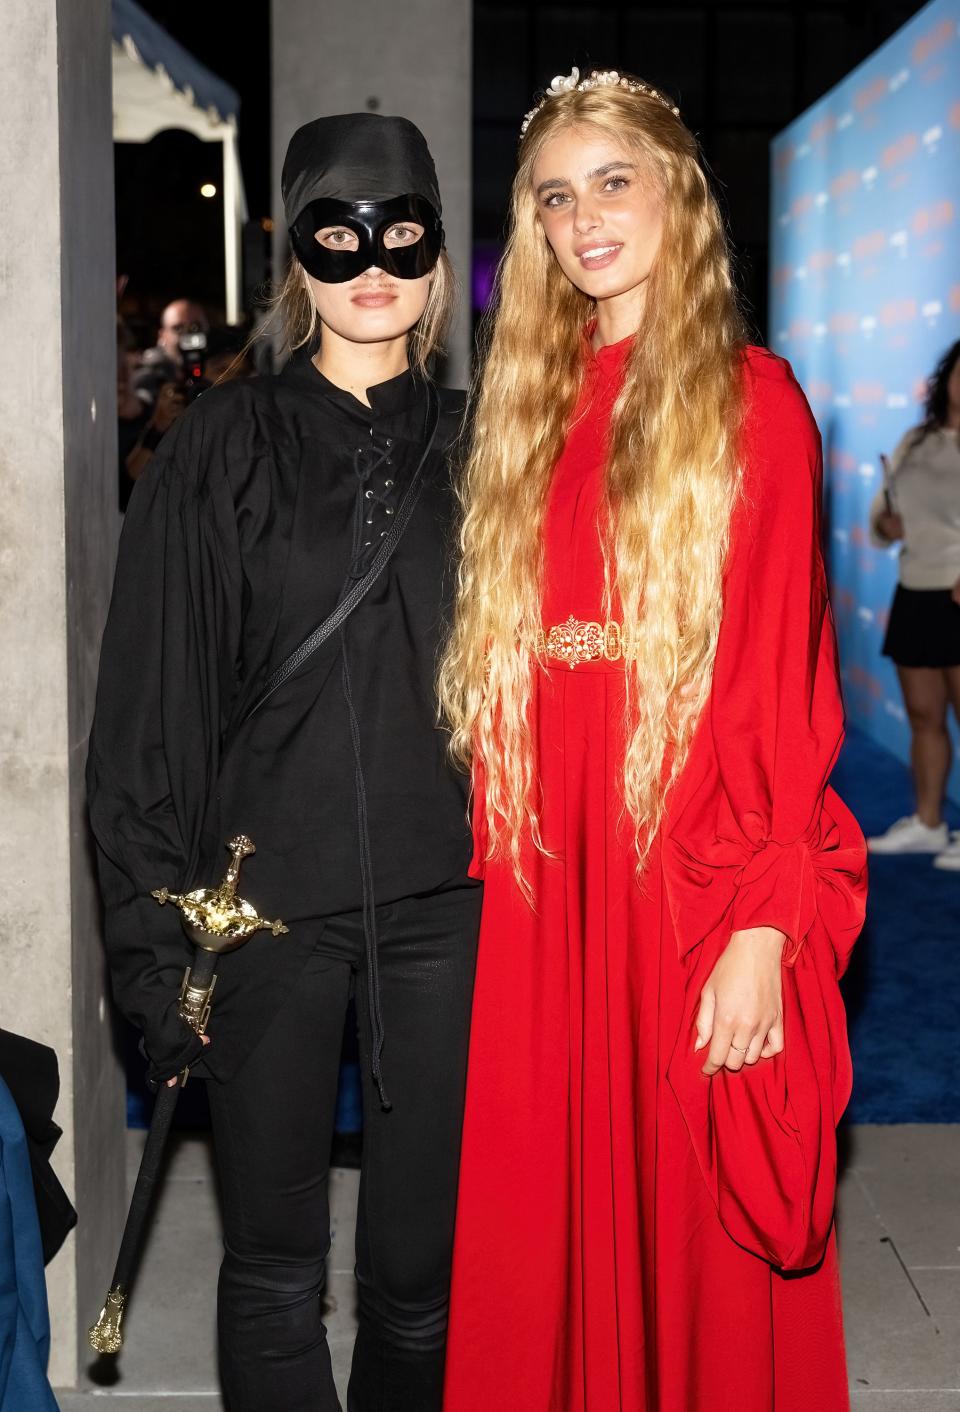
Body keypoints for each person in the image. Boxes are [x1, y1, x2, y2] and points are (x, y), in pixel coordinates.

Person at [439, 68, 867, 1411]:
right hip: (546, 864)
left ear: (677, 193)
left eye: (613, 181)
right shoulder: (525, 407)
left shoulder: (755, 403)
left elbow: (779, 687)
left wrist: (765, 925)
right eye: (557, 198)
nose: (584, 219)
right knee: (546, 1196)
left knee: (689, 1214)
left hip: (688, 858)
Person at [87, 114, 481, 1412]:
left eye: (401, 229)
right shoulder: (218, 448)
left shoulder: (494, 453)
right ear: (296, 258)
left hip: (450, 908)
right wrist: (154, 963)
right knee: (272, 1269)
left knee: (420, 1275)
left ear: (434, 253)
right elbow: (146, 717)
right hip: (261, 920)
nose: (372, 258)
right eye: (339, 230)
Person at [867, 339, 960, 869]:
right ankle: (928, 823)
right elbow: (883, 511)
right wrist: (886, 525)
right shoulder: (915, 440)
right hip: (916, 590)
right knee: (924, 715)